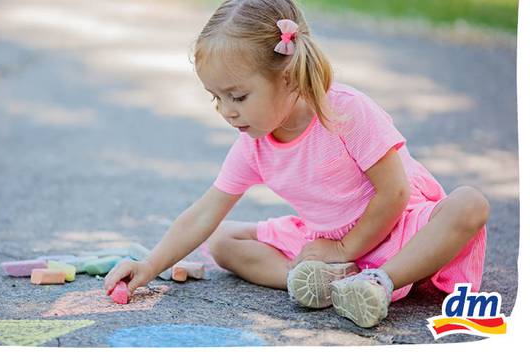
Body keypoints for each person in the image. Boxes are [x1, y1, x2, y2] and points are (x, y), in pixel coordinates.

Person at [104, 0, 489, 328]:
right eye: (215, 98)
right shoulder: (254, 142)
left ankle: (380, 283)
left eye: (237, 96)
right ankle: (318, 282)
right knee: (222, 239)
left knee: (469, 203)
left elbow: (395, 192)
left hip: (397, 231)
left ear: (287, 77)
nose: (226, 111)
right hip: (326, 240)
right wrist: (150, 265)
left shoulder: (345, 112)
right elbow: (203, 214)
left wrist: (344, 247)